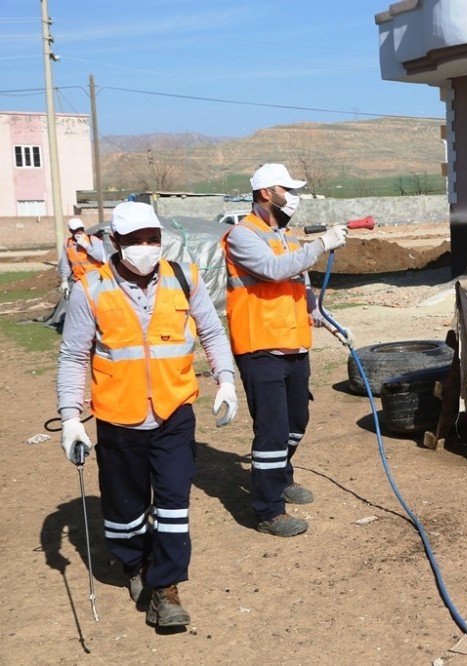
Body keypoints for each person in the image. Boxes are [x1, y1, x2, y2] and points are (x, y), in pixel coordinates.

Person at [56, 201, 238, 628]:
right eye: (135, 240)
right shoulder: (91, 289)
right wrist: (69, 417)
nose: (145, 247)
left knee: (174, 503)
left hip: (174, 412)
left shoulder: (183, 276)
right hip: (119, 418)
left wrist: (226, 379)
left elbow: (212, 330)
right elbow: (72, 356)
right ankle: (134, 564)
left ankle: (166, 589)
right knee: (125, 511)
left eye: (152, 238)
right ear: (114, 243)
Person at [221, 163, 348, 538]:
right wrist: (321, 245)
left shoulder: (285, 235)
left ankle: (281, 475)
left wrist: (319, 313)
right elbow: (275, 270)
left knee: (297, 423)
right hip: (260, 347)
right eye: (286, 189)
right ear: (265, 193)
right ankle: (268, 510)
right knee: (272, 431)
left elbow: (299, 283)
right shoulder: (242, 236)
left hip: (293, 344)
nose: (293, 196)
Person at [58, 217, 105, 298]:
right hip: (79, 281)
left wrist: (87, 246)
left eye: (81, 229)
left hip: (96, 279)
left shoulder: (92, 239)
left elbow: (100, 257)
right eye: (76, 230)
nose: (80, 232)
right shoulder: (67, 243)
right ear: (71, 231)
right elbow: (65, 265)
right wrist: (64, 281)